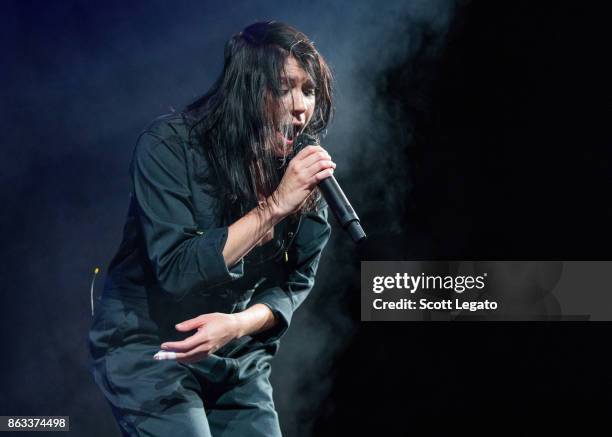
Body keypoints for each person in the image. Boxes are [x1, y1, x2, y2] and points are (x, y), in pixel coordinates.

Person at [88, 21, 335, 436]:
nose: (300, 107)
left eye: (308, 90)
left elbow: (294, 283)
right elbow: (177, 269)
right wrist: (274, 207)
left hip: (234, 354)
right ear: (246, 91)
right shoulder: (169, 146)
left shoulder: (299, 175)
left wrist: (237, 325)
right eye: (283, 87)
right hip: (149, 345)